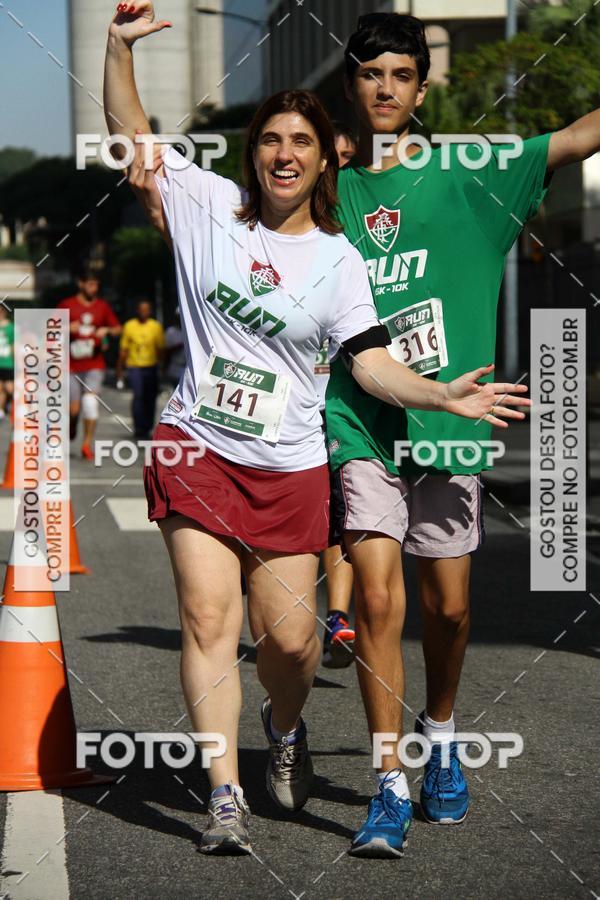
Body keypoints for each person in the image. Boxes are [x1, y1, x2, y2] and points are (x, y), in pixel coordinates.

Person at [104, 1, 529, 856]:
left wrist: (443, 398)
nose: (284, 154)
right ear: (253, 153)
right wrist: (117, 50)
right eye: (271, 141)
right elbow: (134, 138)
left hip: (291, 462)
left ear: (318, 156)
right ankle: (224, 793)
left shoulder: (339, 258)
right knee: (205, 614)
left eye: (300, 142)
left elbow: (369, 361)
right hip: (198, 445)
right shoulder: (208, 210)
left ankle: (285, 728)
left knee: (293, 641)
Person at [325, 11, 600, 857]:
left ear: (421, 87)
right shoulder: (327, 181)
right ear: (352, 84)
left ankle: (440, 734)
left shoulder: (473, 171)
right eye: (370, 74)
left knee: (446, 609)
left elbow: (580, 135)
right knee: (376, 599)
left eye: (400, 76)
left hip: (452, 419)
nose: (384, 89)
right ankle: (387, 783)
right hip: (360, 417)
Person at [318, 125, 358, 669]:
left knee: (339, 507)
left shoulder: (358, 223)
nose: (342, 168)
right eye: (337, 157)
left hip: (341, 392)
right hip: (277, 399)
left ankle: (338, 616)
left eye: (351, 158)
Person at [57, 269, 121, 459]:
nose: (94, 288)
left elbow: (118, 328)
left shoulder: (102, 306)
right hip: (70, 365)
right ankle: (72, 425)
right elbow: (48, 326)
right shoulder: (66, 305)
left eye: (97, 285)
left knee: (90, 403)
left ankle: (86, 444)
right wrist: (67, 327)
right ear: (81, 284)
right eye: (91, 284)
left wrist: (107, 331)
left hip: (94, 364)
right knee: (74, 409)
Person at [117, 299, 165, 439]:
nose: (144, 313)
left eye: (146, 310)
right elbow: (124, 349)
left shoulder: (156, 326)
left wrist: (162, 367)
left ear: (149, 311)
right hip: (135, 367)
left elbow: (160, 349)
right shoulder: (129, 325)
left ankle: (148, 426)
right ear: (137, 311)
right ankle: (139, 427)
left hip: (151, 367)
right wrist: (120, 368)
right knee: (138, 397)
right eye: (141, 310)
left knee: (150, 398)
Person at [164, 307, 186, 387]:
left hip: (189, 368)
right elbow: (167, 351)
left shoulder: (193, 330)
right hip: (175, 367)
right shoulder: (171, 331)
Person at [0, 305, 14, 421]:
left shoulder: (11, 327)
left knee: (9, 388)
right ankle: (1, 410)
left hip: (8, 362)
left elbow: (14, 345)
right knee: (0, 389)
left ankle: (9, 405)